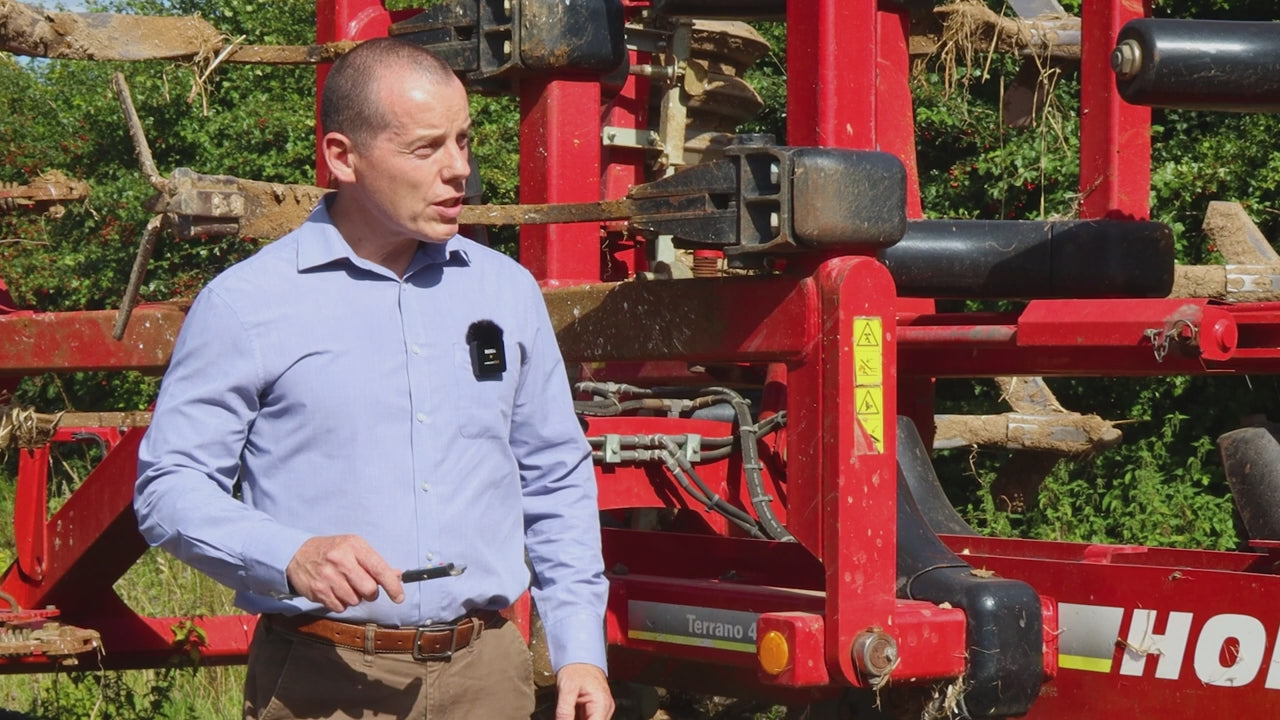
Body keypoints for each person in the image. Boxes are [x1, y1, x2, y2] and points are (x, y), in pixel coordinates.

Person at [134, 37, 613, 720]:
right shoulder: (247, 305)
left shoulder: (506, 292)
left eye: (463, 141)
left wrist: (580, 650)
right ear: (342, 157)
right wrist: (289, 554)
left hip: (488, 679)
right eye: (426, 148)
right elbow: (168, 489)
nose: (460, 170)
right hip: (322, 682)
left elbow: (555, 477)